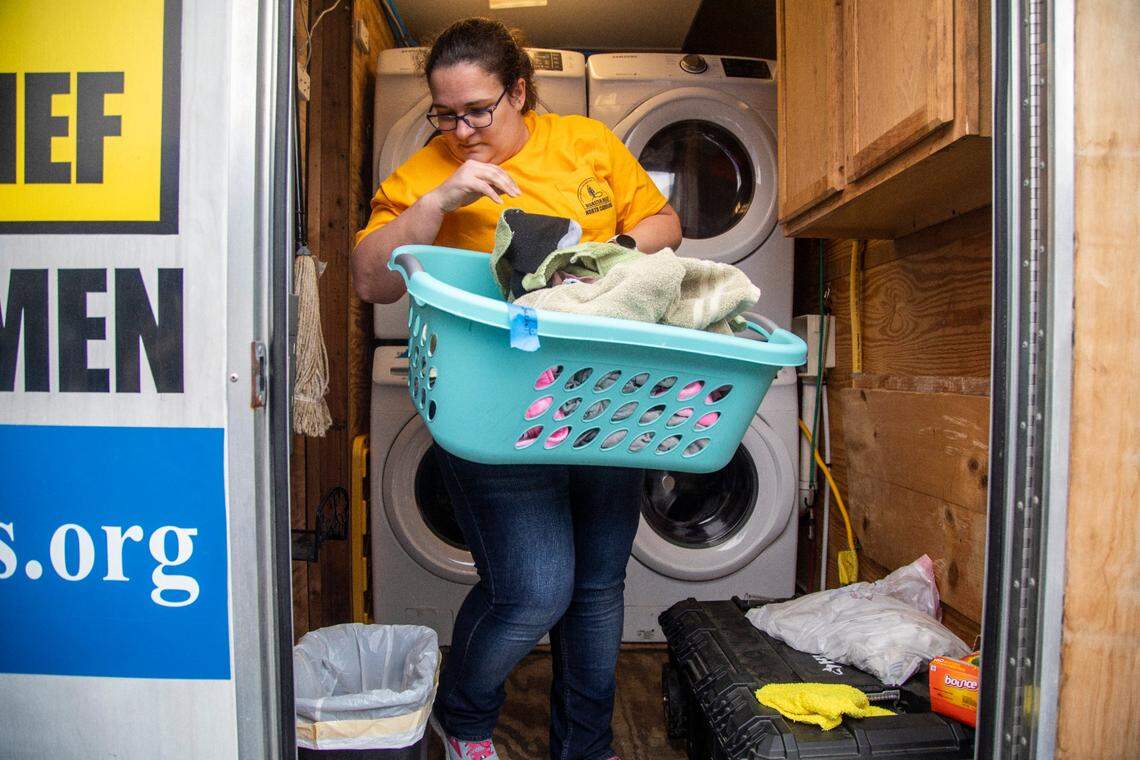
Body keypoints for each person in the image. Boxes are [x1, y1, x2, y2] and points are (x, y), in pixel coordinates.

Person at [352, 18, 682, 760]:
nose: (462, 128)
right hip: (492, 410)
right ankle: (463, 720)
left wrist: (611, 254)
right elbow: (371, 279)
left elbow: (665, 222)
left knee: (596, 591)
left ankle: (585, 748)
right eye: (447, 112)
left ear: (519, 93)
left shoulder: (586, 144)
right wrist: (440, 201)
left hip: (604, 399)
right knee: (534, 589)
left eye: (479, 109)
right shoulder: (429, 171)